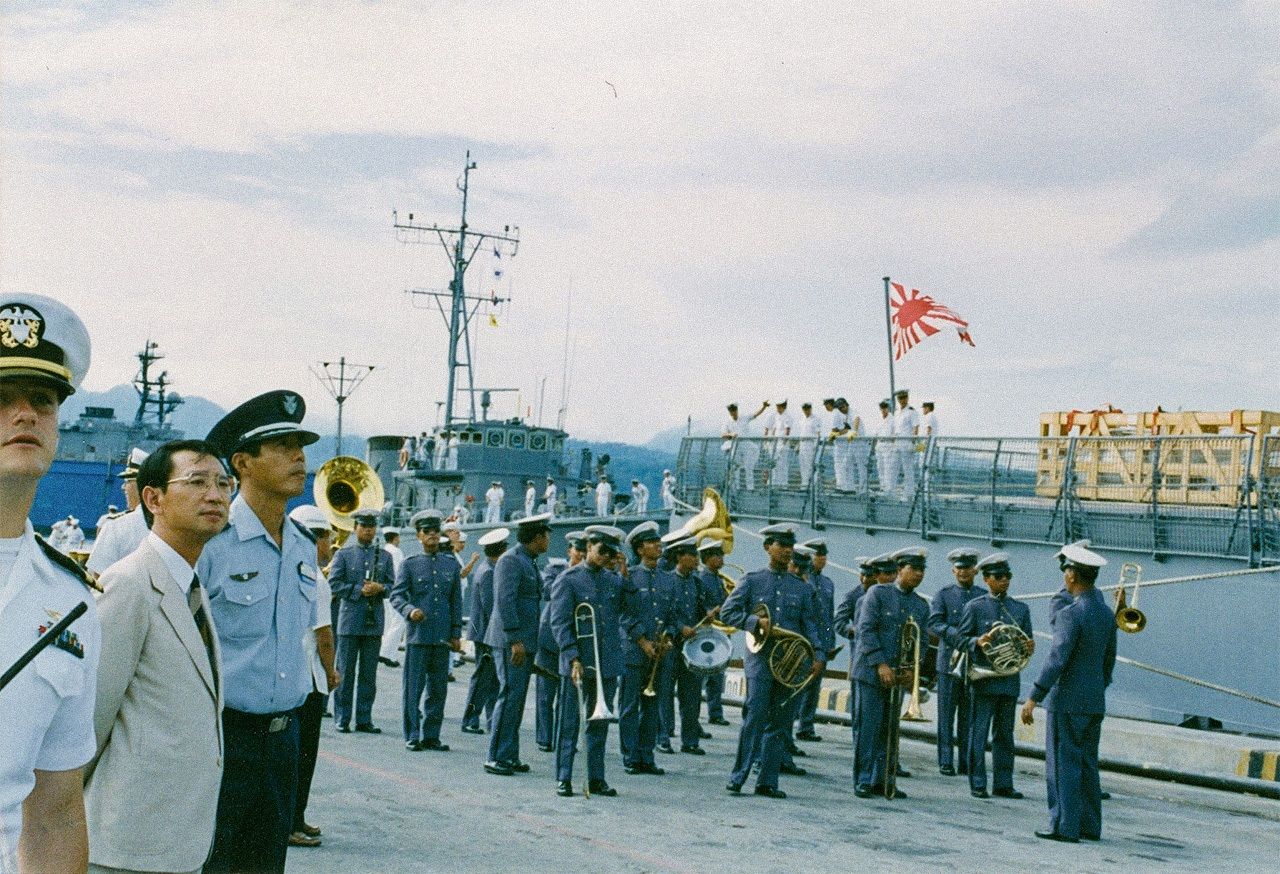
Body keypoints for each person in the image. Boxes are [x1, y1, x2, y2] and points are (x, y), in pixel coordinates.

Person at [86, 440, 230, 873]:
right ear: (153, 499)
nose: (215, 495)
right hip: (127, 846)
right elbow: (89, 722)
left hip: (177, 840)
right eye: (197, 482)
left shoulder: (190, 586)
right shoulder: (129, 584)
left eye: (224, 484)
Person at [198, 389, 321, 874]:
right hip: (223, 737)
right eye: (283, 446)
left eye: (301, 446)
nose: (299, 457)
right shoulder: (212, 542)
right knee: (211, 862)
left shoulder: (303, 545)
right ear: (243, 463)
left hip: (284, 739)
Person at [0, 293, 99, 874]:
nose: (24, 415)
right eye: (0, 398)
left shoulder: (71, 603)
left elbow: (56, 811)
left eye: (42, 400)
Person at [1021, 542, 1117, 843]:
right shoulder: (1106, 613)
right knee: (1088, 763)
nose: (1065, 576)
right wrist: (1097, 688)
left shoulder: (1070, 613)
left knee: (1063, 763)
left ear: (1072, 575)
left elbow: (1057, 659)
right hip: (1094, 700)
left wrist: (1034, 696)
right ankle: (1090, 825)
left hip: (1067, 701)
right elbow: (1108, 660)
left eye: (1066, 571)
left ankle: (1064, 825)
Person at [722, 524, 825, 799]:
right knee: (754, 718)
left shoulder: (801, 588)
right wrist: (754, 622)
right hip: (760, 661)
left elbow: (810, 625)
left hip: (790, 666)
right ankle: (738, 777)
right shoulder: (752, 580)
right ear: (768, 547)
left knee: (780, 722)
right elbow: (728, 612)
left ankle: (768, 782)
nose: (786, 551)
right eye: (781, 545)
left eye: (790, 546)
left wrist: (818, 654)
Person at [548, 525, 630, 797]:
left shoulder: (614, 580)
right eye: (601, 550)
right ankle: (564, 777)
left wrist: (624, 572)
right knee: (569, 723)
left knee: (599, 725)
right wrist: (572, 656)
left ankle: (596, 778)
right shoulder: (568, 579)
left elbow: (632, 608)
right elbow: (559, 623)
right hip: (579, 662)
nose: (605, 556)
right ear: (589, 547)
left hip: (606, 662)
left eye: (610, 552)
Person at [851, 546, 930, 799]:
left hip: (897, 676)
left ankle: (884, 781)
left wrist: (912, 669)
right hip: (871, 673)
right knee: (869, 729)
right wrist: (880, 664)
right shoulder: (877, 593)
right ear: (899, 570)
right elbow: (866, 630)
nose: (918, 574)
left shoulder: (920, 605)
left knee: (889, 731)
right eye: (913, 569)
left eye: (922, 570)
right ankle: (863, 779)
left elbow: (922, 642)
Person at [285, 505, 340, 850]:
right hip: (311, 679)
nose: (330, 545)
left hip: (290, 677)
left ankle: (295, 816)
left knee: (291, 756)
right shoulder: (315, 579)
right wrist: (332, 672)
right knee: (304, 757)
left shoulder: (286, 571)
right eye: (326, 537)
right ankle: (292, 823)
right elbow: (325, 636)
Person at [483, 512, 553, 775]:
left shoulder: (527, 560)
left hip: (523, 641)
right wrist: (515, 640)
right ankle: (495, 756)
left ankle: (509, 755)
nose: (548, 541)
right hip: (511, 642)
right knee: (509, 696)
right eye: (546, 536)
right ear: (537, 537)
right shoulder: (511, 560)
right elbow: (505, 601)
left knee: (516, 700)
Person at [961, 552, 1033, 800]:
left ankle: (1003, 783)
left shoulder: (1020, 609)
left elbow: (1024, 642)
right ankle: (978, 782)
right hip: (984, 681)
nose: (1005, 581)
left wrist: (1028, 647)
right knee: (979, 733)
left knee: (1004, 735)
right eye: (999, 576)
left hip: (1008, 681)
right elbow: (960, 638)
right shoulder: (975, 607)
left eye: (1007, 576)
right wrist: (976, 641)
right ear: (986, 579)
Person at [392, 510, 463, 751]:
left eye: (435, 530)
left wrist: (456, 633)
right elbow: (397, 596)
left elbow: (455, 601)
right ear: (419, 536)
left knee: (438, 689)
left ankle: (432, 735)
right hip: (419, 636)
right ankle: (412, 734)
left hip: (442, 636)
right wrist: (410, 610)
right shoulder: (410, 564)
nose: (432, 534)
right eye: (427, 531)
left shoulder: (450, 565)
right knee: (413, 688)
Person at [328, 510, 393, 734]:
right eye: (364, 526)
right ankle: (342, 718)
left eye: (371, 527)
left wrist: (380, 587)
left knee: (368, 675)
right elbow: (334, 583)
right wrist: (358, 590)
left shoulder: (385, 557)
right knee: (345, 672)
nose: (368, 530)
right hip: (350, 621)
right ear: (356, 528)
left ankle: (364, 719)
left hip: (373, 623)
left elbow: (393, 586)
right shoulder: (344, 555)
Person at [618, 521, 675, 775]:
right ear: (640, 549)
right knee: (630, 706)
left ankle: (646, 755)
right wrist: (642, 640)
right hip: (634, 651)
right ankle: (630, 755)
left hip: (658, 653)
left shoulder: (667, 579)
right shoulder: (630, 576)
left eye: (658, 541)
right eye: (652, 543)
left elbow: (672, 614)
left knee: (652, 707)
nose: (658, 545)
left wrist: (668, 637)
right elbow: (624, 613)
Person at [927, 547, 987, 776]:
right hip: (949, 662)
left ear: (975, 570)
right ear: (953, 570)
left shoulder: (982, 596)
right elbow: (935, 623)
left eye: (968, 568)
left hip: (974, 661)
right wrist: (958, 636)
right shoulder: (943, 595)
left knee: (968, 714)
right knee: (946, 713)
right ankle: (945, 760)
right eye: (959, 568)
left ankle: (964, 760)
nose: (963, 572)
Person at [664, 536, 717, 755]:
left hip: (691, 647)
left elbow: (703, 608)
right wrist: (680, 627)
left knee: (692, 695)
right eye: (692, 555)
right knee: (665, 693)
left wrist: (709, 614)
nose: (696, 559)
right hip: (671, 645)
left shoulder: (697, 583)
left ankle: (690, 741)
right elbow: (663, 613)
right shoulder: (666, 581)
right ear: (679, 557)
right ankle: (664, 737)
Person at [461, 527, 509, 734]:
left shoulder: (487, 568)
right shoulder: (490, 572)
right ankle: (470, 719)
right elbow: (491, 608)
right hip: (486, 634)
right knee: (482, 680)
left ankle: (492, 720)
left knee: (492, 680)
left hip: (486, 633)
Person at [87, 447, 151, 578]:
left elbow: (99, 578)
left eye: (127, 481)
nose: (123, 487)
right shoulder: (172, 524)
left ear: (141, 486)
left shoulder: (116, 526)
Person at [795, 539, 836, 742]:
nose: (822, 559)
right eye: (819, 555)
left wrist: (830, 643)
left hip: (821, 642)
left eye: (824, 555)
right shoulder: (802, 580)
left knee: (813, 687)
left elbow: (829, 615)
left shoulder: (828, 584)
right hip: (803, 640)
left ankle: (806, 726)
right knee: (797, 685)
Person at [533, 555, 569, 751]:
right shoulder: (556, 569)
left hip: (573, 643)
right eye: (577, 549)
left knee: (568, 697)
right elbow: (547, 592)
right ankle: (545, 738)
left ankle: (565, 738)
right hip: (550, 640)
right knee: (546, 694)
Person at [696, 539, 730, 726]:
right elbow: (699, 604)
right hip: (706, 631)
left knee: (717, 674)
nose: (721, 559)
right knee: (700, 676)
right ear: (707, 558)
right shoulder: (702, 578)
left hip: (719, 631)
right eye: (717, 556)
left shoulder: (718, 578)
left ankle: (715, 712)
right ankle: (694, 719)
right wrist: (710, 611)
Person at [723, 401, 768, 491]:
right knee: (735, 467)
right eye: (731, 411)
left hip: (746, 444)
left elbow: (755, 414)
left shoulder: (744, 417)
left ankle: (750, 488)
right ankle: (736, 488)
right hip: (735, 445)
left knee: (748, 467)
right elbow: (723, 434)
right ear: (729, 412)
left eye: (734, 410)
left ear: (737, 410)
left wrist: (763, 407)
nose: (733, 412)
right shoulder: (727, 422)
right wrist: (731, 434)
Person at [379, 527, 406, 668]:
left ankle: (386, 652)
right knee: (399, 622)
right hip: (396, 592)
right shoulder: (396, 551)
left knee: (388, 624)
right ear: (396, 537)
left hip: (385, 591)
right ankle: (386, 654)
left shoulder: (383, 550)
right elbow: (401, 572)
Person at [893, 389, 920, 498]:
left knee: (907, 468)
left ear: (907, 398)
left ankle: (909, 493)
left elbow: (916, 427)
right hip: (897, 442)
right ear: (898, 400)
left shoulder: (911, 411)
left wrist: (913, 442)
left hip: (906, 442)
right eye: (900, 398)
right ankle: (892, 491)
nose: (902, 400)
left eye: (904, 398)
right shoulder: (896, 412)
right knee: (894, 467)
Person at [873, 399, 896, 494]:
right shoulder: (879, 420)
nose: (883, 409)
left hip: (888, 445)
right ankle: (882, 487)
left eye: (885, 407)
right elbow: (876, 434)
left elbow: (895, 435)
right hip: (879, 445)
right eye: (882, 407)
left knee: (888, 468)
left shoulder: (893, 419)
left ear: (888, 408)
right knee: (880, 467)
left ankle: (888, 489)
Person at [796, 402, 819, 488]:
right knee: (802, 465)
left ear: (810, 408)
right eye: (804, 409)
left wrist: (815, 446)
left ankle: (812, 486)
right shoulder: (801, 419)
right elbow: (801, 433)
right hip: (802, 443)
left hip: (810, 444)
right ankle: (804, 484)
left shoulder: (816, 419)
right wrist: (798, 445)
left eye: (807, 409)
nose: (806, 411)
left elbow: (818, 433)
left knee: (810, 465)